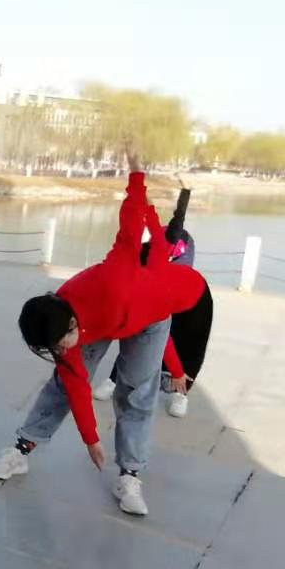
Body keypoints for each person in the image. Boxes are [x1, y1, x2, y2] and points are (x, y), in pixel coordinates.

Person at [0, 155, 209, 517]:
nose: (60, 351)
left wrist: (137, 176)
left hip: (149, 319)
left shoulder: (117, 277)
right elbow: (77, 386)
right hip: (104, 319)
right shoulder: (59, 329)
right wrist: (91, 440)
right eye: (52, 348)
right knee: (62, 384)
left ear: (72, 326)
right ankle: (22, 450)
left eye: (60, 344)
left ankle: (130, 475)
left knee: (137, 392)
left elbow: (131, 225)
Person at [93, 179, 203, 417]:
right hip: (158, 264)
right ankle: (115, 379)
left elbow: (178, 219)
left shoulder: (170, 258)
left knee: (174, 333)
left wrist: (186, 192)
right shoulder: (140, 255)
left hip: (178, 266)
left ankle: (181, 392)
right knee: (136, 332)